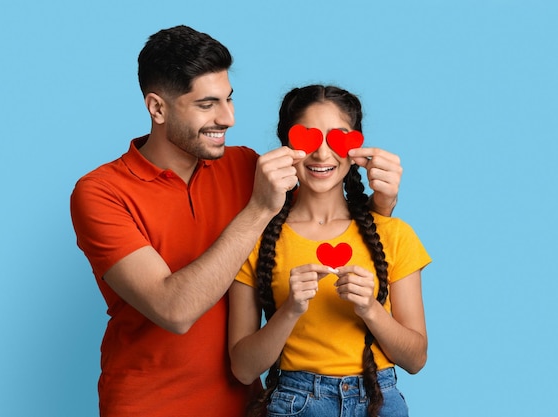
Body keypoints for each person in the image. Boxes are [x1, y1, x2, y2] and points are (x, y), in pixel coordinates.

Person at [70, 25, 403, 417]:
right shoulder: (101, 192)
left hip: (250, 404)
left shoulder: (246, 165)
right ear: (157, 108)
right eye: (207, 104)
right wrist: (259, 209)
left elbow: (326, 227)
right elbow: (174, 310)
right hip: (148, 404)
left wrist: (384, 204)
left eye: (229, 99)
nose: (228, 118)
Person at [228, 85, 431, 417]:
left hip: (380, 402)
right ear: (286, 147)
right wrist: (290, 309)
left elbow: (416, 359)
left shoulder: (394, 234)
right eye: (307, 139)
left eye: (338, 138)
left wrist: (370, 309)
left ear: (357, 149)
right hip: (295, 403)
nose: (322, 154)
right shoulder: (256, 238)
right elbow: (243, 369)